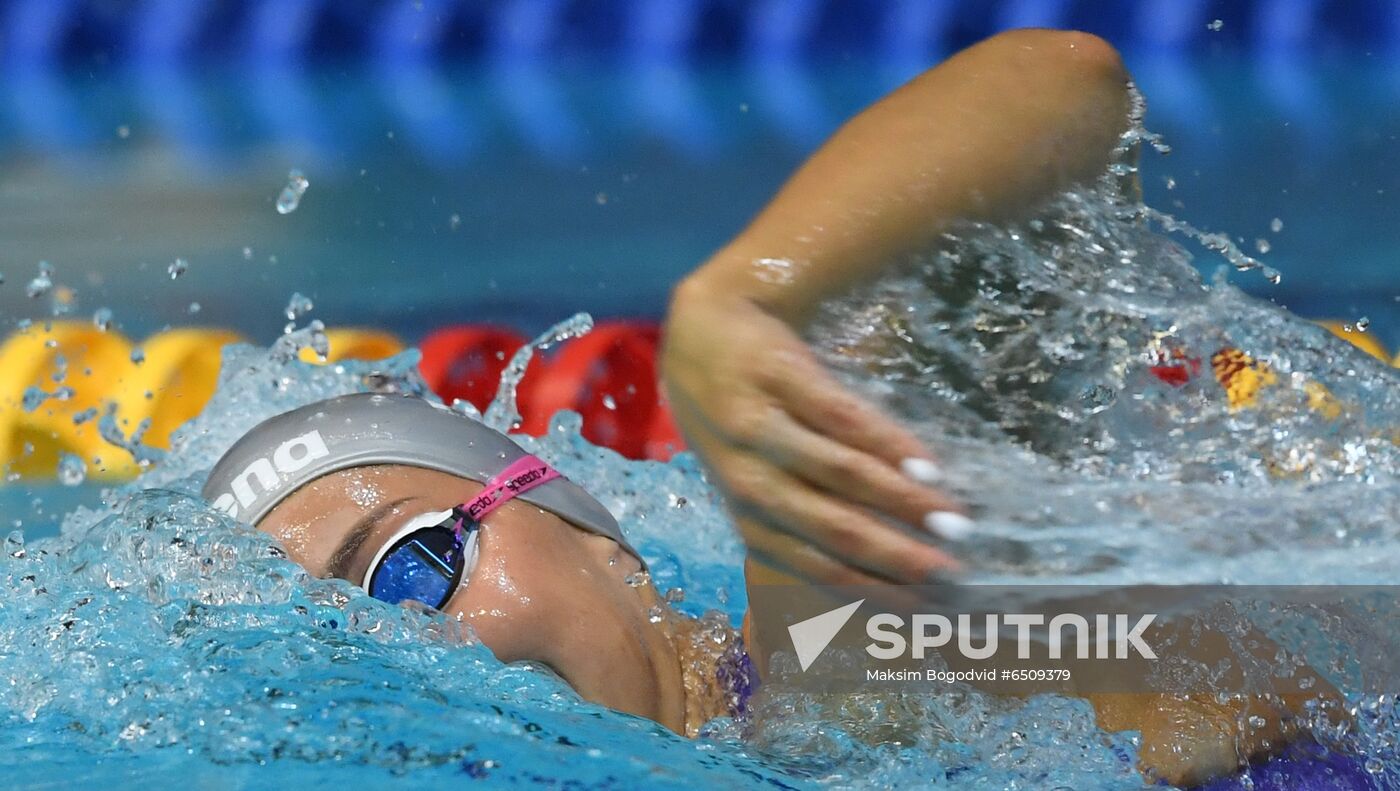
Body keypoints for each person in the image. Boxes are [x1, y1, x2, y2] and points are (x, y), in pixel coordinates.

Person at [202, 30, 1328, 787]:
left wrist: (744, 300)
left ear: (593, 532)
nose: (423, 661)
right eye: (339, 670)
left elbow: (1062, 91)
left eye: (407, 570)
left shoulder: (839, 648)